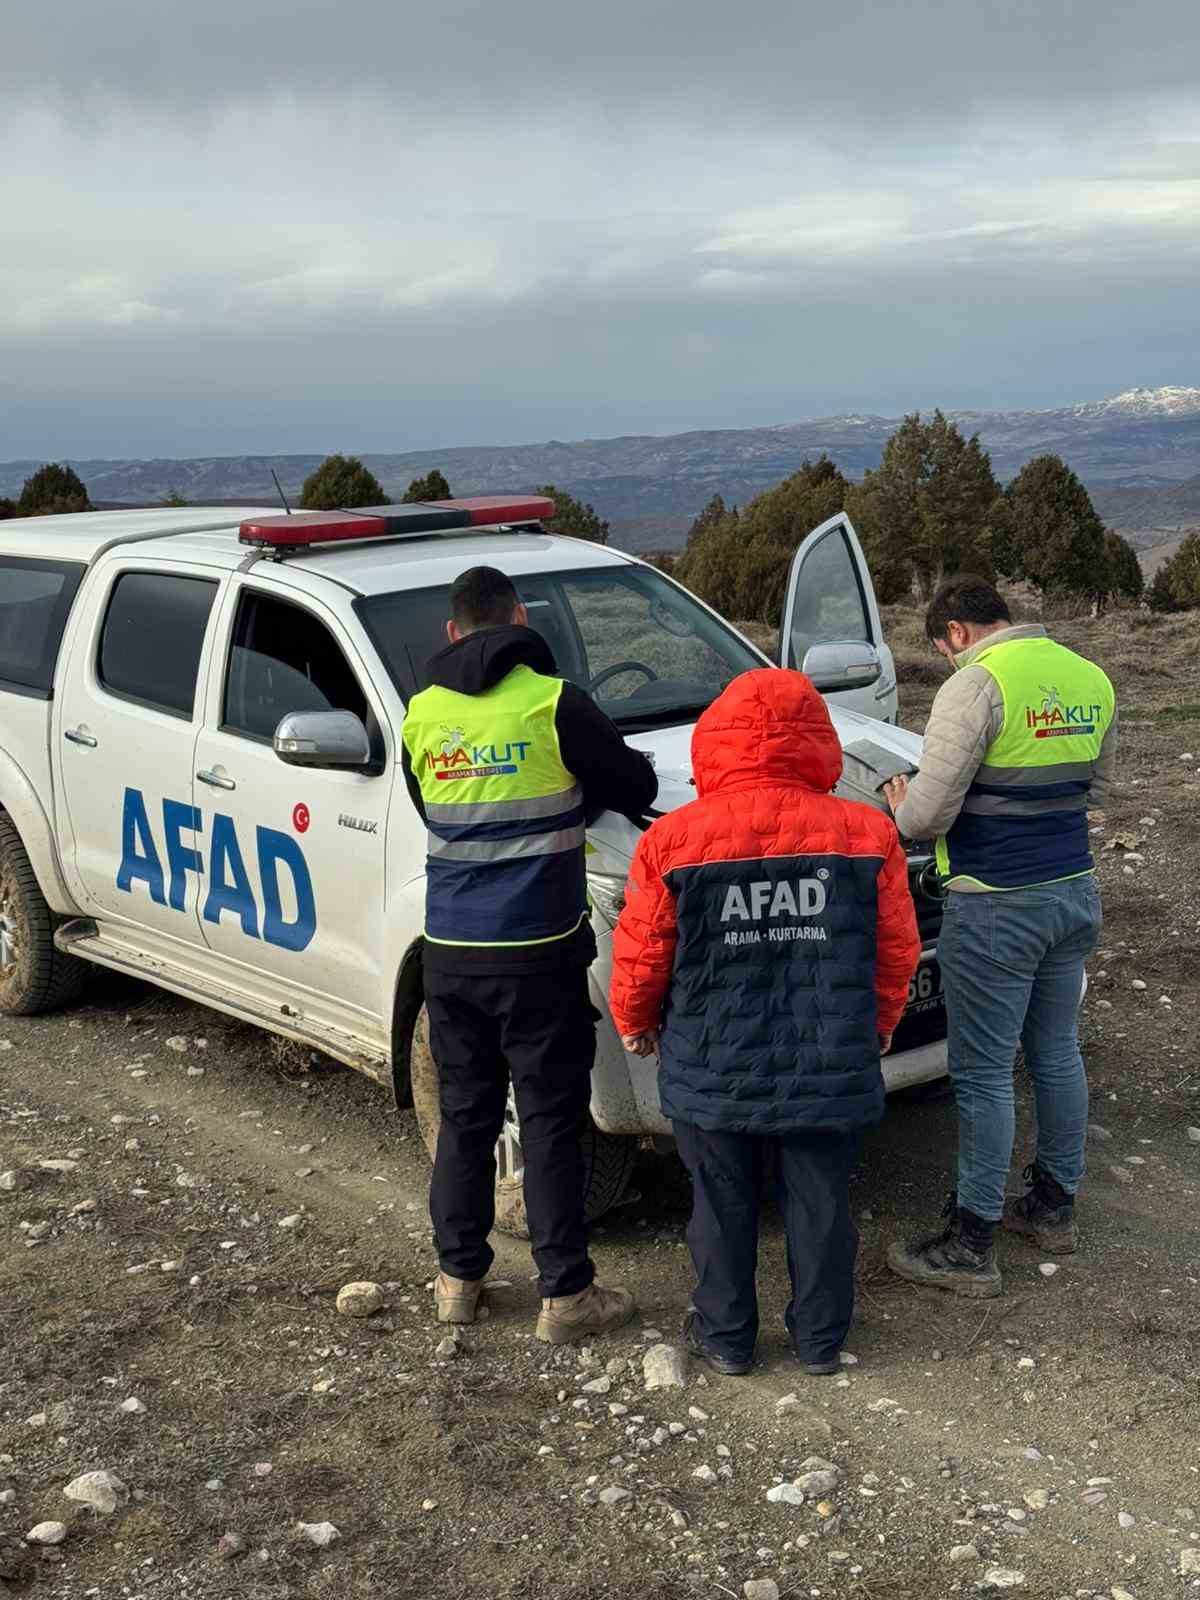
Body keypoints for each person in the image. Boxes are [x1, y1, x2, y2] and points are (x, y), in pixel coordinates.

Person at [609, 669, 920, 1375]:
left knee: (720, 1202)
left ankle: (725, 1339)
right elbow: (896, 948)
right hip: (828, 1054)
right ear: (817, 741)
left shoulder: (673, 839)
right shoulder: (869, 833)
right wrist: (881, 1022)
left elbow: (644, 947)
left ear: (715, 743)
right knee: (820, 1201)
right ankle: (820, 1340)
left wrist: (634, 1019)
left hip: (712, 1056)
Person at [401, 565, 658, 1343]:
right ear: (520, 619)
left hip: (450, 952)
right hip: (539, 952)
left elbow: (433, 809)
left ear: (453, 631)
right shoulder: (554, 703)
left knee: (466, 1116)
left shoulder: (422, 713)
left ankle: (458, 1280)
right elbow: (634, 783)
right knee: (548, 1121)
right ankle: (566, 1295)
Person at [883, 575, 1116, 1298]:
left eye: (943, 648)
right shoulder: (1089, 676)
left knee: (983, 1073)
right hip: (1071, 889)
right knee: (1056, 1050)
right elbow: (1098, 785)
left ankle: (971, 1243)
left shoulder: (976, 685)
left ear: (955, 632)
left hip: (996, 902)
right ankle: (1052, 1208)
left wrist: (901, 801)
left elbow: (926, 819)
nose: (948, 658)